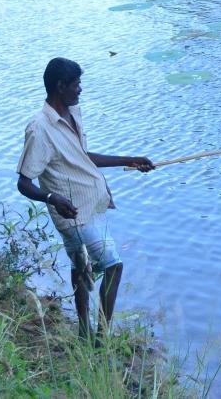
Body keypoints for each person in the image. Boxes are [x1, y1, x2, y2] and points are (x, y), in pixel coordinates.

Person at [16, 57, 154, 341]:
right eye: (76, 85)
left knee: (81, 266)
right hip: (71, 212)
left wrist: (130, 160)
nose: (80, 90)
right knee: (114, 266)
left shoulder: (72, 112)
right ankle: (102, 336)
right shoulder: (39, 129)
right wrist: (53, 198)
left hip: (92, 204)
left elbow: (82, 157)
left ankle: (83, 333)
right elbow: (24, 183)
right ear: (60, 86)